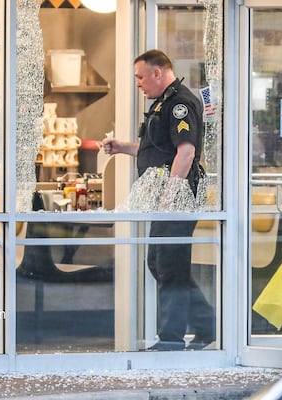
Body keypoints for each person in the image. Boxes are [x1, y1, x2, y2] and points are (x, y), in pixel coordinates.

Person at [102, 49, 215, 351]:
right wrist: (123, 147)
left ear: (157, 73)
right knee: (160, 263)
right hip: (165, 197)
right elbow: (156, 149)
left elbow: (186, 152)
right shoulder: (162, 103)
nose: (138, 83)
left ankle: (171, 338)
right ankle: (206, 324)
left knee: (169, 266)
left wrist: (170, 195)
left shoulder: (179, 104)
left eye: (140, 76)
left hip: (175, 198)